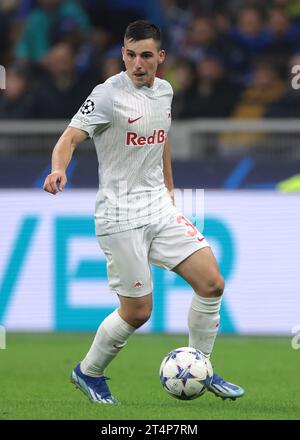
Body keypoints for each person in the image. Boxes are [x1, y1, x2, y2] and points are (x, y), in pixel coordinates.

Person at [43, 20, 244, 404]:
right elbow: (70, 136)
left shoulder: (165, 92)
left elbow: (161, 139)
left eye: (146, 56)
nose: (138, 64)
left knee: (212, 284)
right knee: (137, 312)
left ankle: (201, 365)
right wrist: (58, 168)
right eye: (131, 55)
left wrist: (169, 189)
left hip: (157, 208)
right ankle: (88, 371)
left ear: (160, 57)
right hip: (119, 215)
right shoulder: (106, 95)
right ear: (123, 54)